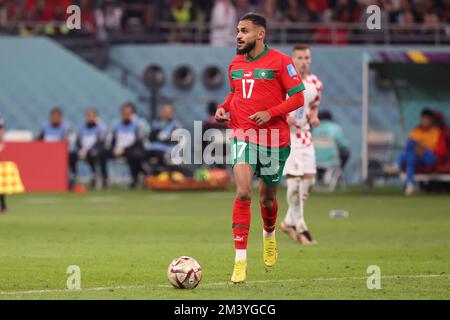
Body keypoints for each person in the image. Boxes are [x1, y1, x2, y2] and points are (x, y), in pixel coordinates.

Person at [215, 13, 305, 283]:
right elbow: (236, 93)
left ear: (260, 34)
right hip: (243, 134)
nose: (239, 36)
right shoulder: (235, 63)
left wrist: (271, 112)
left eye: (244, 31)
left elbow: (298, 96)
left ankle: (269, 234)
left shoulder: (281, 62)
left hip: (274, 140)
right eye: (237, 31)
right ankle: (240, 260)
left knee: (267, 199)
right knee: (243, 192)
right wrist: (223, 107)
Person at [280, 44, 322, 245]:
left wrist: (314, 118)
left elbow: (314, 106)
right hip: (288, 137)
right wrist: (284, 117)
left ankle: (288, 221)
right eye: (300, 58)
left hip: (305, 136)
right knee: (294, 182)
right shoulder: (284, 82)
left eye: (306, 58)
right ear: (292, 59)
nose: (304, 61)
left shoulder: (315, 83)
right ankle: (301, 225)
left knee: (309, 182)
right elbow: (274, 106)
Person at [398, 108, 447, 196]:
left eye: (426, 119)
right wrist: (417, 148)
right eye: (423, 118)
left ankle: (396, 164)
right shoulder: (416, 131)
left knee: (411, 149)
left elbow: (441, 151)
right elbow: (409, 145)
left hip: (429, 157)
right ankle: (410, 185)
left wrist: (423, 149)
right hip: (417, 156)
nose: (424, 121)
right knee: (411, 154)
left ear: (431, 120)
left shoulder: (437, 132)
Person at [109, 103, 146, 189]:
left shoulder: (139, 124)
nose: (126, 115)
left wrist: (124, 148)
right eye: (124, 113)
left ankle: (136, 178)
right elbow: (112, 139)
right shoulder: (116, 124)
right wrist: (114, 148)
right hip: (117, 149)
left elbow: (140, 140)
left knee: (134, 155)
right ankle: (102, 178)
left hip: (133, 149)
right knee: (101, 153)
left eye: (128, 113)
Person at [70, 108, 109, 189]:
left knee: (93, 154)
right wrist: (80, 149)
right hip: (83, 150)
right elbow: (78, 141)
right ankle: (74, 175)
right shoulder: (82, 128)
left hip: (94, 151)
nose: (90, 117)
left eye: (92, 116)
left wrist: (88, 150)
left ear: (96, 117)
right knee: (71, 155)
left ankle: (95, 175)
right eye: (88, 116)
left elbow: (100, 142)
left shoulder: (101, 128)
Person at [147, 103, 182, 175]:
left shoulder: (176, 125)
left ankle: (166, 175)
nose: (165, 114)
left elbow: (175, 141)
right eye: (164, 112)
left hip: (168, 149)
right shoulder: (156, 123)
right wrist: (158, 128)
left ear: (172, 113)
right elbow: (151, 138)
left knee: (163, 157)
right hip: (154, 148)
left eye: (168, 112)